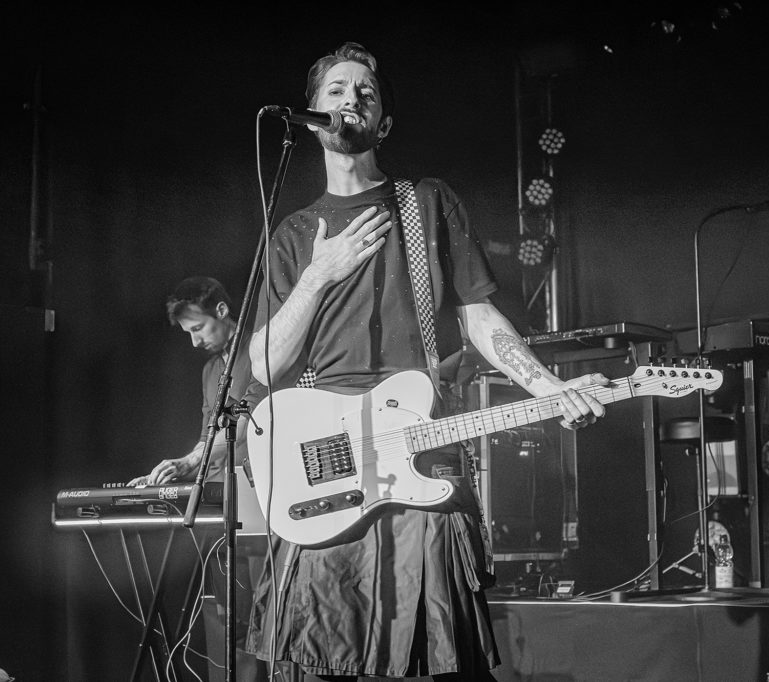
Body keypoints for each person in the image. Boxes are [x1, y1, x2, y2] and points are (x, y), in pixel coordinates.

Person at [245, 42, 607, 681]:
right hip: (327, 468)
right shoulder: (295, 235)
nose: (351, 99)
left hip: (422, 455)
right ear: (312, 117)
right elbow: (264, 367)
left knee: (443, 662)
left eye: (365, 92)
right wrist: (319, 274)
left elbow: (481, 319)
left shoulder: (427, 203)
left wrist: (549, 386)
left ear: (383, 123)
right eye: (336, 91)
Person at [128, 276, 267, 682]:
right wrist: (180, 468)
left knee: (271, 617)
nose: (194, 342)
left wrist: (191, 460)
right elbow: (210, 434)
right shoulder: (210, 370)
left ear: (222, 311)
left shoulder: (260, 351)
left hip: (265, 498)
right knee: (234, 620)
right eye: (188, 333)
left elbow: (246, 422)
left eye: (198, 328)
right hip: (228, 503)